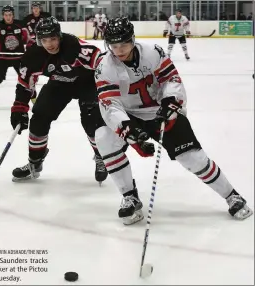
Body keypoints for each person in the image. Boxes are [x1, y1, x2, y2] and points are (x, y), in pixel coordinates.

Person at [94, 17, 253, 225]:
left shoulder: (153, 53)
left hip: (159, 111)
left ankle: (232, 195)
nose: (119, 50)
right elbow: (110, 104)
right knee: (103, 136)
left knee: (193, 158)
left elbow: (171, 79)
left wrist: (171, 101)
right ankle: (129, 196)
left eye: (123, 44)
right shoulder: (104, 66)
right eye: (114, 46)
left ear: (132, 39)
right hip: (130, 115)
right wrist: (127, 129)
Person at [10, 16, 108, 184]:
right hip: (59, 82)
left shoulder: (75, 48)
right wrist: (19, 108)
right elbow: (25, 83)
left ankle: (101, 155)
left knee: (91, 120)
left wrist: (110, 90)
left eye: (53, 39)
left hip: (87, 83)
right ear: (39, 40)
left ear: (60, 37)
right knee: (39, 117)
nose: (50, 44)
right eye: (45, 40)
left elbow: (104, 64)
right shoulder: (34, 55)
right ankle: (35, 162)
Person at [0, 5, 34, 110]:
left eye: (10, 15)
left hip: (19, 57)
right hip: (2, 58)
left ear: (13, 15)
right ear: (3, 16)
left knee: (27, 78)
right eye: (6, 15)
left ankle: (34, 98)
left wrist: (31, 49)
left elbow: (29, 39)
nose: (8, 17)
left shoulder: (21, 25)